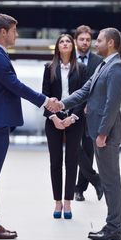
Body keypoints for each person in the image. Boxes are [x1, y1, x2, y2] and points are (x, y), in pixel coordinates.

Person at [0, 13, 56, 239]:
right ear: (3, 32)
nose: (17, 35)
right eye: (14, 31)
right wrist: (45, 100)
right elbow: (15, 86)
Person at [48, 28, 121, 240]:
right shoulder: (103, 65)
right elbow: (85, 91)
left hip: (106, 134)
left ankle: (114, 227)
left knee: (110, 180)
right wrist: (62, 103)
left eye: (99, 40)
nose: (95, 43)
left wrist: (102, 133)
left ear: (110, 43)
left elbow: (112, 104)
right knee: (109, 179)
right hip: (99, 132)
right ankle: (113, 224)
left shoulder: (117, 68)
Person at [42, 34, 87, 219]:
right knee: (55, 162)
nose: (65, 43)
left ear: (72, 46)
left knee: (71, 162)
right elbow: (44, 95)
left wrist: (73, 117)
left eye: (68, 41)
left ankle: (68, 202)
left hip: (75, 119)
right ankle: (57, 202)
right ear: (58, 47)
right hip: (53, 120)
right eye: (62, 41)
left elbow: (84, 94)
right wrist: (53, 117)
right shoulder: (49, 68)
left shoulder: (81, 68)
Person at [74, 25, 103, 202]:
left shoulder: (98, 60)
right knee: (74, 148)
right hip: (71, 111)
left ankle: (79, 189)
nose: (85, 42)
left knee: (88, 149)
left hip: (90, 112)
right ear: (76, 40)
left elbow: (99, 86)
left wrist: (91, 105)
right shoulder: (69, 59)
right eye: (82, 39)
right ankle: (95, 178)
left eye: (87, 39)